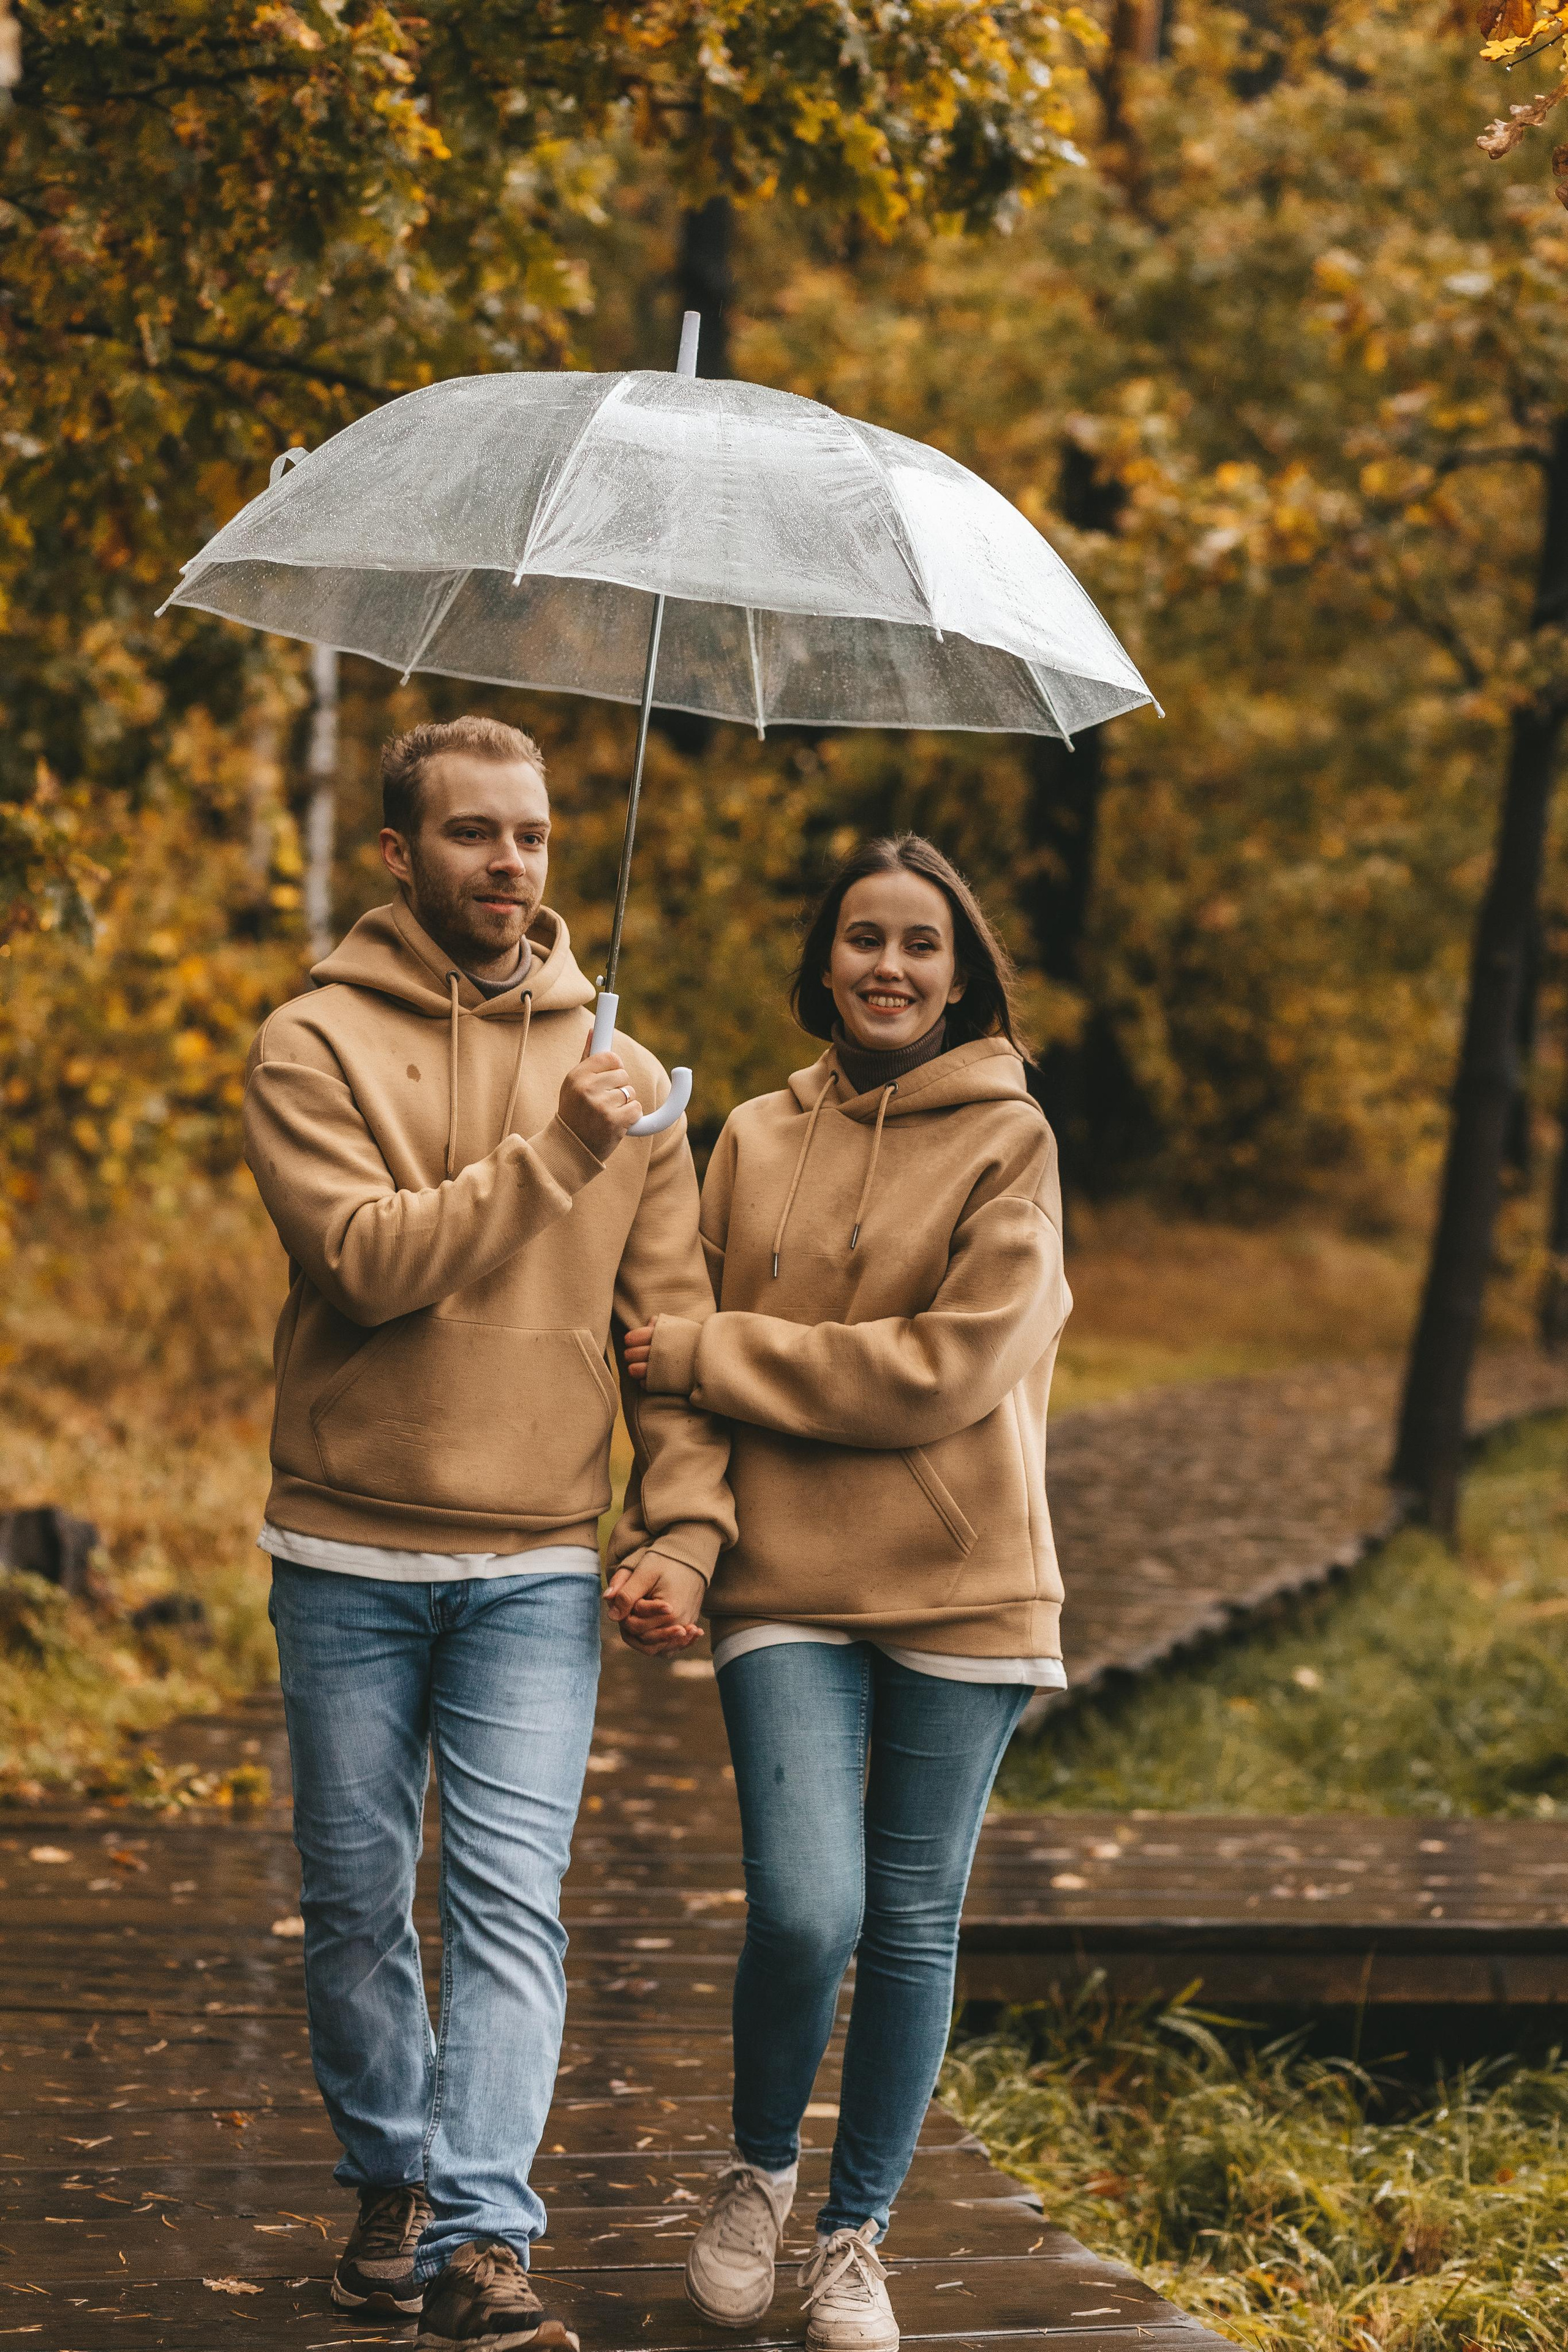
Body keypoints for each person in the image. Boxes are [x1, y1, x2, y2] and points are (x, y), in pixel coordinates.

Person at [243, 714, 731, 2352]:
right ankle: (388, 2177)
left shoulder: (626, 1062)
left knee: (515, 1903)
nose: (509, 864)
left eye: (530, 835)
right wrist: (569, 1141)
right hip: (345, 1550)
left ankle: (480, 2236)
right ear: (402, 854)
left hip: (536, 1552)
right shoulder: (309, 1044)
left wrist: (685, 1522)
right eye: (472, 835)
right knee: (362, 1892)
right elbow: (372, 1263)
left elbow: (669, 1323)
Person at [614, 834, 1071, 2352]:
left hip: (966, 1581)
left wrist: (717, 1349)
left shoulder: (1012, 1142)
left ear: (960, 972)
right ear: (821, 960)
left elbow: (945, 1371)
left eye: (919, 944)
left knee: (915, 1924)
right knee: (810, 1912)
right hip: (786, 1581)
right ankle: (754, 2171)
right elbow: (659, 1338)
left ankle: (854, 2236)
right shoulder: (745, 1135)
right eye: (862, 938)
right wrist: (680, 1519)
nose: (888, 965)